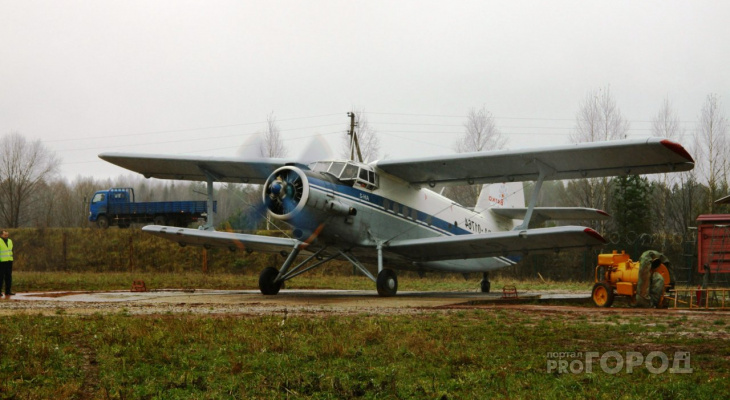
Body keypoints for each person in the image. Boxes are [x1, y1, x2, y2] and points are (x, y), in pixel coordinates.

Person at [0, 230, 14, 298]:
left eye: (7, 235)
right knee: (0, 277)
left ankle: (8, 291)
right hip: (1, 262)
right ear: (1, 235)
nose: (6, 236)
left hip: (9, 261)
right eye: (5, 235)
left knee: (8, 277)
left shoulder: (10, 241)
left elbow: (11, 250)